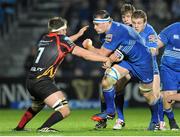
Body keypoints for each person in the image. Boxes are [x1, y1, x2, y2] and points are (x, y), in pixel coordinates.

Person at [13, 16, 112, 132]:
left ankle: (19, 128)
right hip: (42, 81)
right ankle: (44, 128)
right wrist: (104, 59)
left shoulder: (45, 38)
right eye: (65, 30)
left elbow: (63, 41)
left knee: (37, 105)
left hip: (31, 80)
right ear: (61, 31)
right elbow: (84, 54)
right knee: (64, 110)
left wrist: (78, 35)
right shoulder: (62, 40)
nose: (66, 32)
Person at [83, 10, 160, 130]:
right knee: (107, 80)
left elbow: (102, 54)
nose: (95, 27)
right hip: (127, 62)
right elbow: (110, 54)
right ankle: (110, 112)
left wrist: (89, 47)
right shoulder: (106, 31)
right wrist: (111, 58)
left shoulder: (115, 32)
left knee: (148, 95)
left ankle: (155, 121)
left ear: (108, 22)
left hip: (143, 63)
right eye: (94, 24)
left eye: (97, 24)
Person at [94, 4, 136, 130]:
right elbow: (108, 50)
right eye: (123, 16)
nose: (125, 19)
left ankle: (158, 121)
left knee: (151, 94)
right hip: (119, 63)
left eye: (128, 16)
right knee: (106, 90)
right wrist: (109, 60)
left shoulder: (139, 29)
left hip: (134, 64)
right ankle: (110, 119)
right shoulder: (112, 31)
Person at [131, 10, 165, 130]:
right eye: (134, 22)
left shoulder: (150, 32)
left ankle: (159, 122)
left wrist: (144, 50)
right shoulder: (130, 31)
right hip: (133, 65)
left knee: (154, 95)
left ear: (145, 22)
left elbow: (154, 51)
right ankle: (117, 117)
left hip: (150, 66)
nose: (136, 26)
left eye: (139, 23)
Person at [157, 22, 180, 130]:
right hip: (169, 69)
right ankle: (171, 120)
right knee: (170, 97)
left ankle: (160, 99)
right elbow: (156, 44)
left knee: (169, 97)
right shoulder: (173, 28)